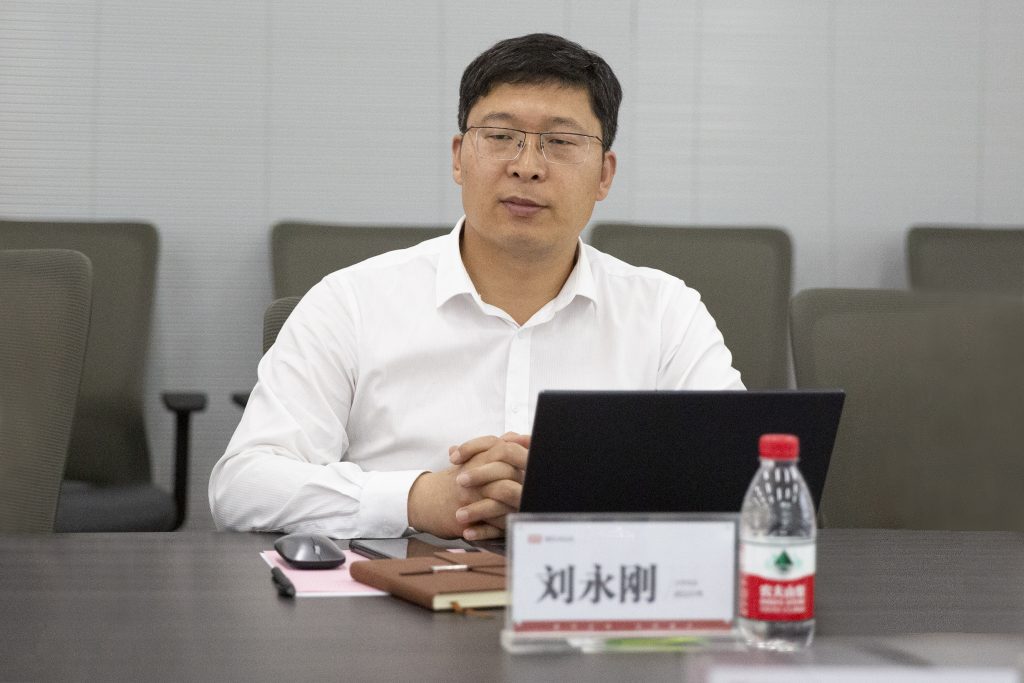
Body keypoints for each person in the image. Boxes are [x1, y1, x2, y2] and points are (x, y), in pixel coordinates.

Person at [209, 33, 743, 541]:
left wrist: (574, 493)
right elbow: (243, 485)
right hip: (393, 592)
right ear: (458, 157)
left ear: (604, 174)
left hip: (593, 590)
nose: (527, 167)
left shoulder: (665, 312)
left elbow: (742, 478)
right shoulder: (351, 302)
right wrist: (417, 500)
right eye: (501, 137)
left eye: (560, 142)